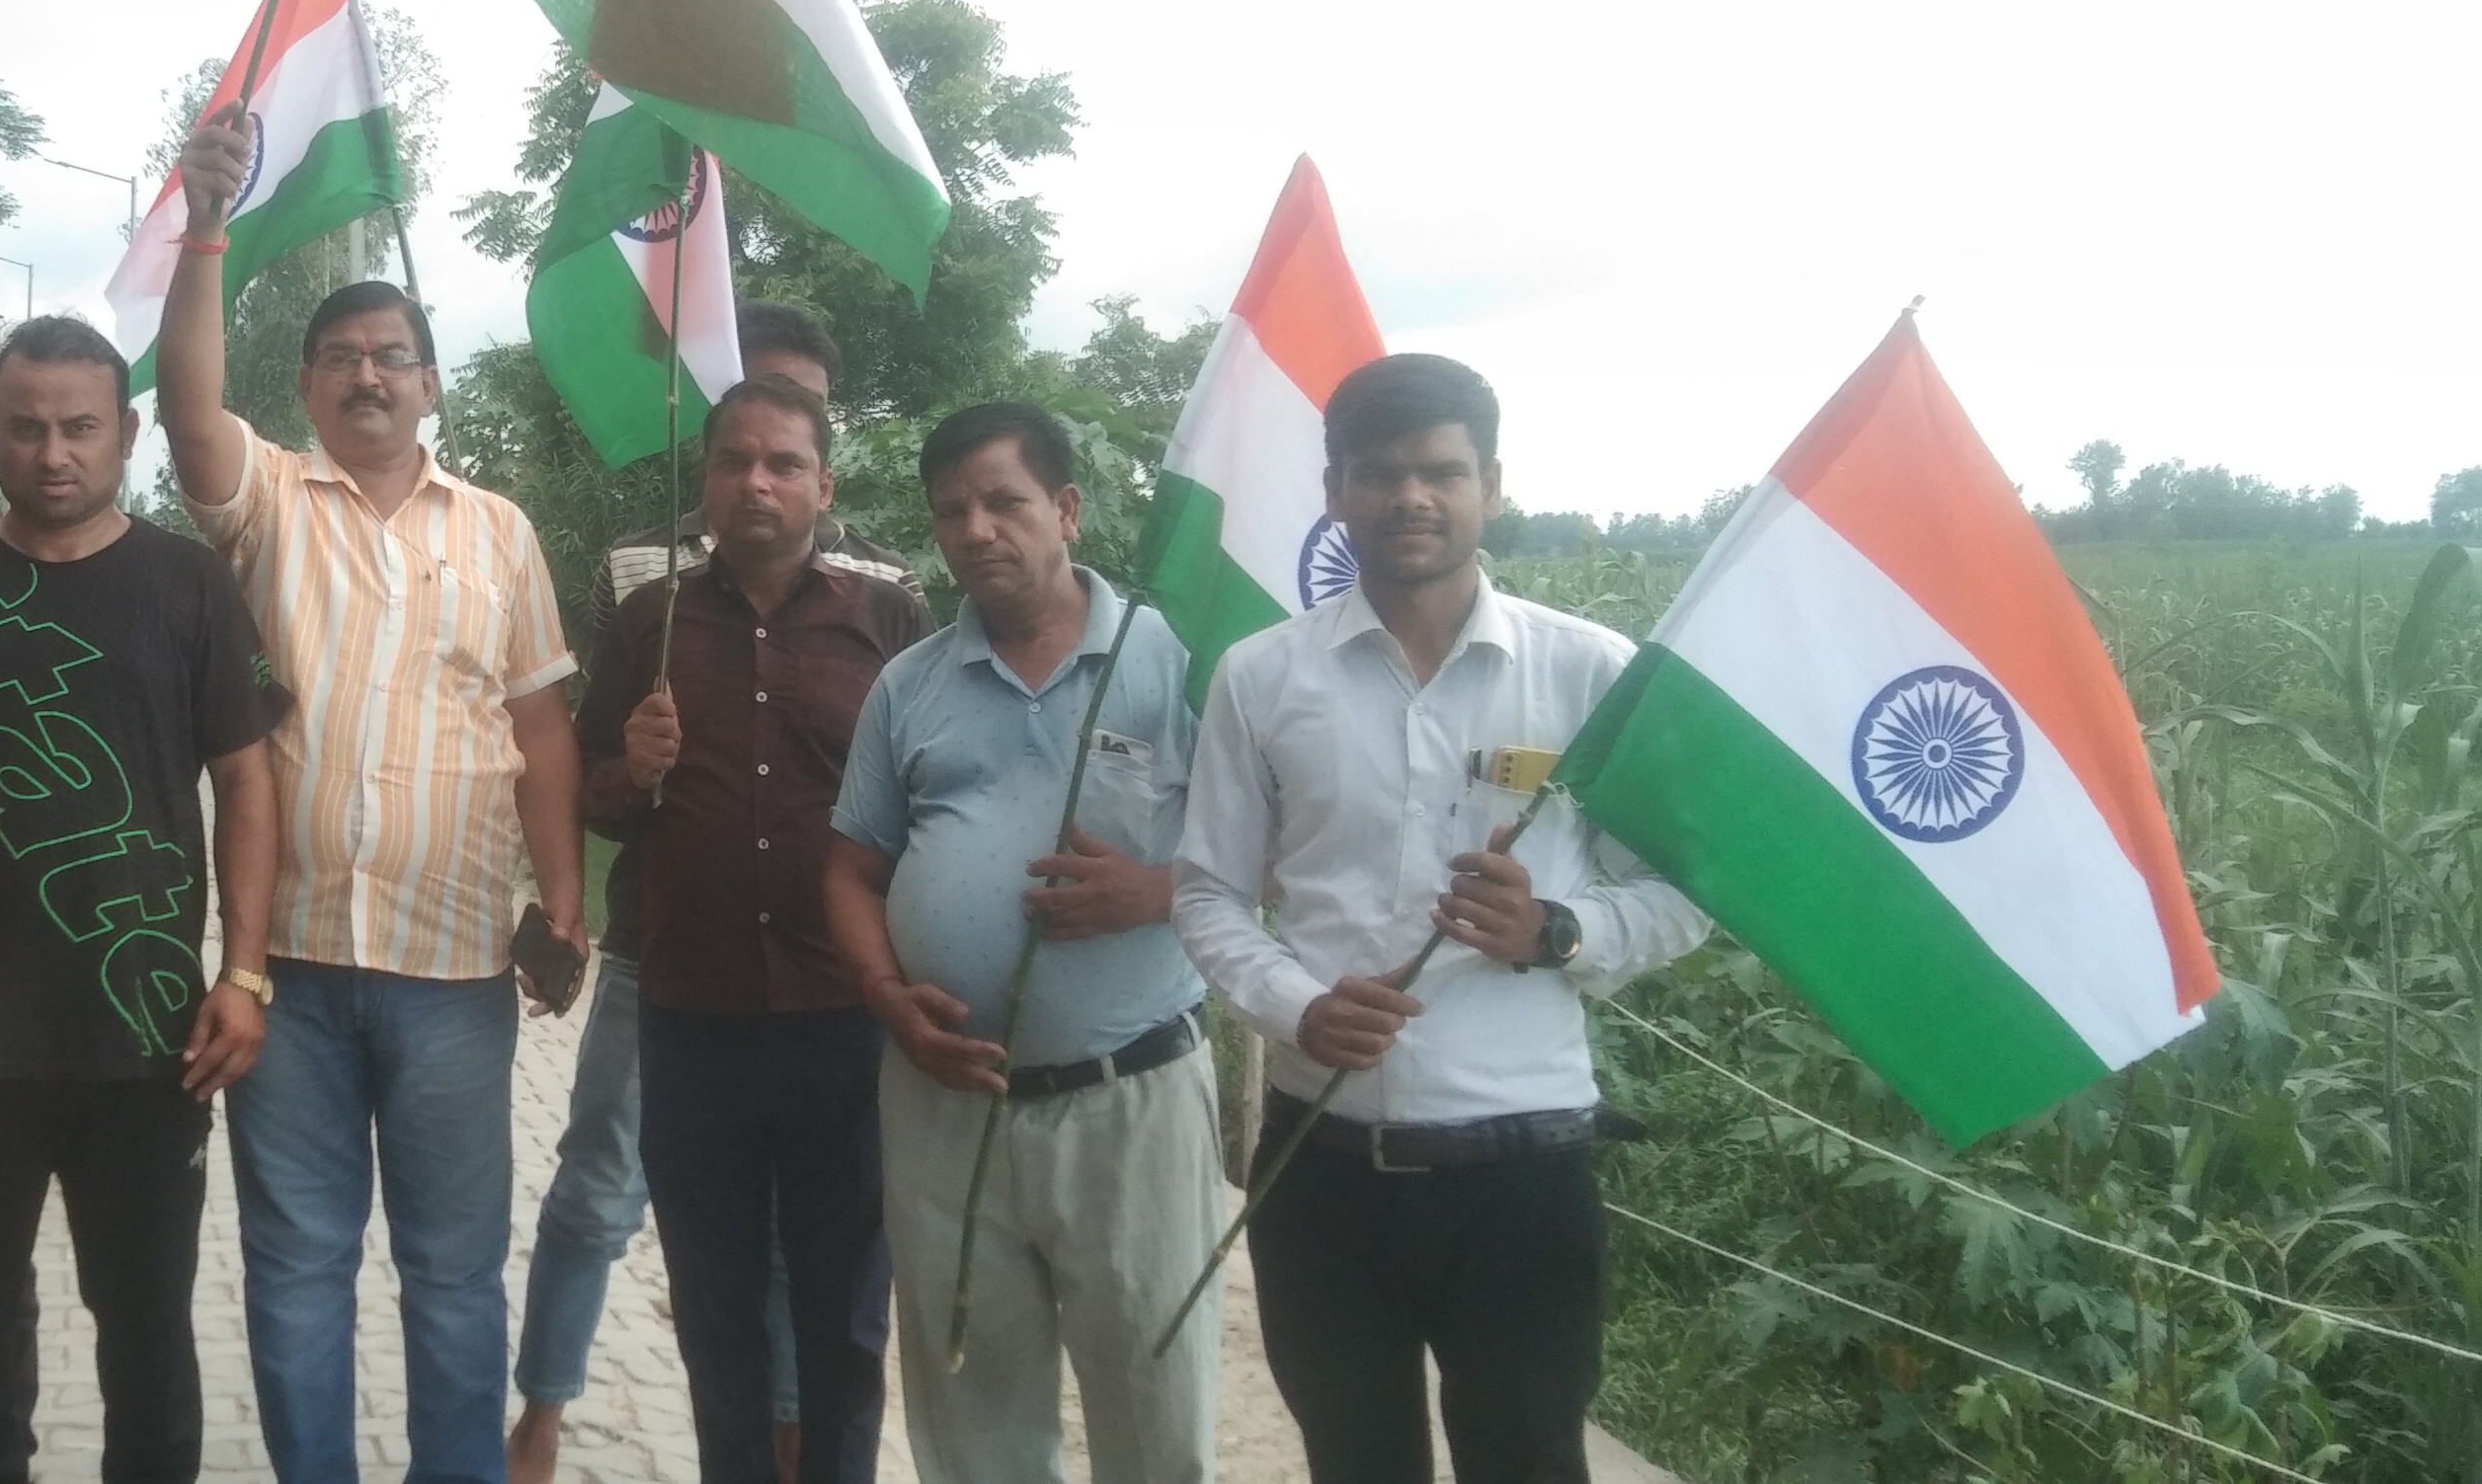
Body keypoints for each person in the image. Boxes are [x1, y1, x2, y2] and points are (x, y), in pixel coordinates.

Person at [1170, 354, 1711, 1484]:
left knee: (1528, 1460)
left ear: (1491, 487)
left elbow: (1682, 897)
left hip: (1523, 1176)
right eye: (1377, 473)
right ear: (1334, 491)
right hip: (1320, 1168)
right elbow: (1206, 890)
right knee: (1355, 1463)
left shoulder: (1589, 677)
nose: (1409, 497)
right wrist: (1297, 1007)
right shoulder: (1260, 678)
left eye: (1440, 472)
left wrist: (1554, 930)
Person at [154, 113, 588, 1484]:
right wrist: (206, 224)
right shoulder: (269, 500)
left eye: (390, 354)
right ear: (305, 384)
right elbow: (184, 412)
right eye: (339, 356)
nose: (365, 374)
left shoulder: (501, 530)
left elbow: (538, 723)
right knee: (296, 1269)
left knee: (454, 1274)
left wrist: (564, 903)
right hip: (285, 969)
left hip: (454, 970)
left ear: (430, 382)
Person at [0, 315, 285, 1484]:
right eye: (24, 428)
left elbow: (246, 780)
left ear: (126, 432)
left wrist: (243, 973)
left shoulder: (190, 582)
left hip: (146, 1037)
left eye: (79, 428)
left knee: (149, 1347)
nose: (52, 454)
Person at [517, 302, 915, 1484]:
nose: (757, 481)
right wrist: (630, 774)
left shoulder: (890, 612)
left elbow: (932, 794)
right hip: (683, 995)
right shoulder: (650, 608)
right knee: (703, 1286)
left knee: (842, 1292)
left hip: (840, 1000)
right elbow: (591, 787)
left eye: (785, 460)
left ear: (824, 477)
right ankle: (553, 1414)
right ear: (706, 470)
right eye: (735, 457)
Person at [827, 400, 1220, 1484]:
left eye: (1003, 502)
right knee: (971, 1424)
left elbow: (1279, 853)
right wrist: (886, 997)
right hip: (944, 1101)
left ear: (1067, 508)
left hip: (1128, 1099)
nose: (976, 530)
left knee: (1155, 1411)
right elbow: (850, 870)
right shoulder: (909, 685)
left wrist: (1158, 890)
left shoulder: (1175, 660)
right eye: (950, 512)